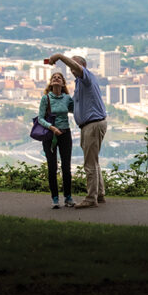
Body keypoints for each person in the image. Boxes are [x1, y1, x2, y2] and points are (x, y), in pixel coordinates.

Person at [47, 54, 108, 209]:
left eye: (74, 65)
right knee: (93, 160)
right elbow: (71, 106)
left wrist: (59, 56)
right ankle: (99, 193)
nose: (71, 68)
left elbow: (76, 67)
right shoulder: (80, 84)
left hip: (92, 125)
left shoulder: (86, 78)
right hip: (89, 125)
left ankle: (91, 198)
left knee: (89, 163)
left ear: (82, 66)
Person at [38, 71, 75, 209]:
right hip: (50, 135)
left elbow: (74, 110)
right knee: (52, 167)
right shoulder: (46, 98)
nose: (56, 79)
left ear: (63, 83)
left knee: (66, 167)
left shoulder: (67, 98)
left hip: (65, 133)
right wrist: (52, 128)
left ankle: (68, 197)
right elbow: (40, 118)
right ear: (50, 82)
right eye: (54, 77)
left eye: (59, 78)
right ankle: (54, 198)